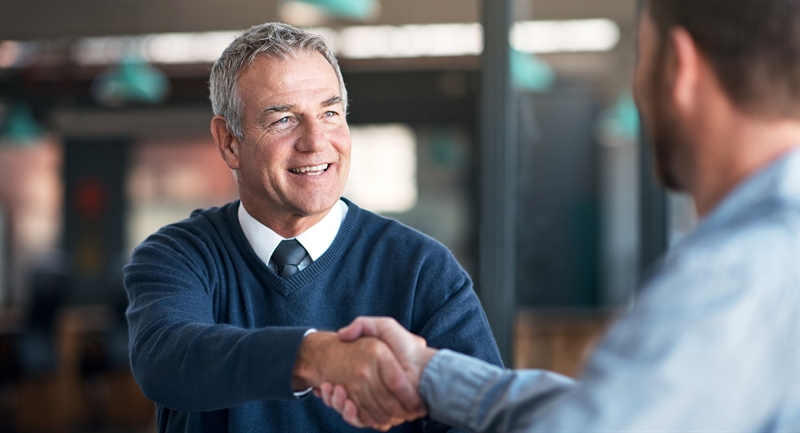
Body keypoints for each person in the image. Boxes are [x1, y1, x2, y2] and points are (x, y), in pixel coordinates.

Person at [319, 0, 800, 431]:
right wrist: (430, 374)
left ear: (679, 67)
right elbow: (608, 407)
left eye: (641, 57)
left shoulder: (730, 278)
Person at [123, 22, 502, 433]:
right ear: (230, 142)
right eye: (284, 119)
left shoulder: (420, 269)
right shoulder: (178, 256)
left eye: (330, 113)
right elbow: (167, 360)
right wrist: (315, 356)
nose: (316, 141)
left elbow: (483, 416)